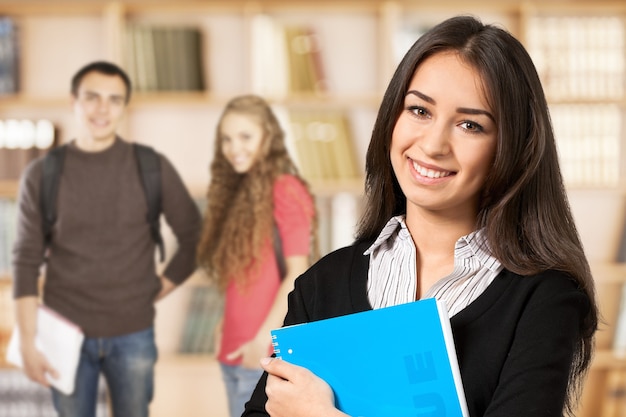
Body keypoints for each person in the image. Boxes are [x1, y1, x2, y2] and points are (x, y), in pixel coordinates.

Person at [242, 15, 599, 417]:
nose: (432, 145)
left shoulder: (544, 299)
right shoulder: (321, 285)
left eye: (470, 124)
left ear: (511, 148)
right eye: (419, 110)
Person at [12, 61, 202, 417]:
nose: (103, 108)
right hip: (64, 334)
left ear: (123, 106)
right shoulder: (42, 173)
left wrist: (154, 288)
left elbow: (195, 237)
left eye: (114, 99)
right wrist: (26, 341)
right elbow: (24, 260)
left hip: (133, 333)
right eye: (92, 97)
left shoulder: (152, 166)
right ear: (73, 101)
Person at [196, 95, 317, 417]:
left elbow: (297, 272)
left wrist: (260, 340)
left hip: (262, 355)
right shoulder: (239, 195)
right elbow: (246, 275)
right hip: (233, 352)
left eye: (245, 136)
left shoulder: (285, 189)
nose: (235, 147)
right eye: (227, 138)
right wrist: (224, 325)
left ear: (268, 137)